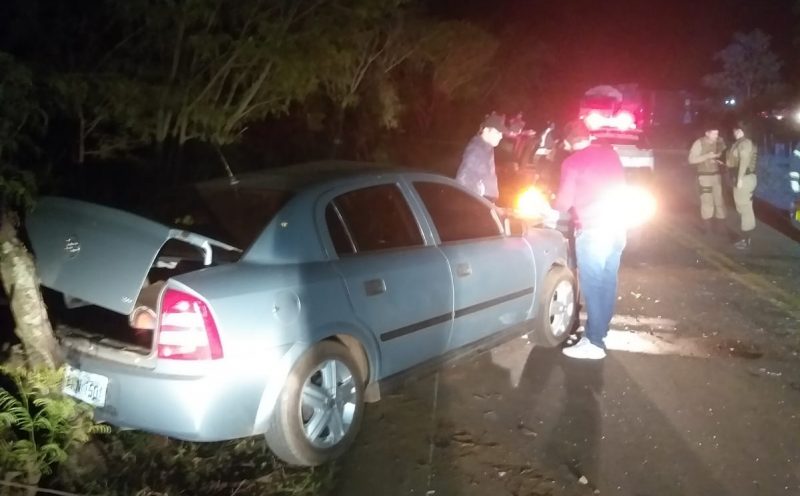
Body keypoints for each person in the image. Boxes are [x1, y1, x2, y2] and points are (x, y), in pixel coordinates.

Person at [547, 120, 627, 360]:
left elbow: (563, 202)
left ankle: (593, 343)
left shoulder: (572, 162)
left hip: (593, 231)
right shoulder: (611, 155)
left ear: (570, 141)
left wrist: (549, 202)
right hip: (617, 227)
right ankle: (600, 332)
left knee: (592, 286)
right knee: (607, 282)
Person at [456, 112, 508, 202]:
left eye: (501, 133)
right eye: (497, 132)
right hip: (479, 205)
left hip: (485, 203)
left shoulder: (487, 148)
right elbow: (463, 180)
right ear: (486, 130)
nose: (500, 137)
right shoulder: (477, 150)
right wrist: (480, 195)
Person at [688, 124, 727, 233]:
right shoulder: (699, 143)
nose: (716, 135)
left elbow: (721, 153)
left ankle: (721, 228)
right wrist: (707, 157)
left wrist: (717, 160)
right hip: (704, 176)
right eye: (714, 133)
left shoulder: (718, 141)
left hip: (716, 175)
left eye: (717, 133)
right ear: (707, 133)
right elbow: (691, 160)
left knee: (719, 200)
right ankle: (708, 228)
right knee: (707, 201)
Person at [726, 122, 758, 249]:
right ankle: (746, 236)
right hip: (743, 178)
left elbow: (744, 160)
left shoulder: (744, 143)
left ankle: (746, 240)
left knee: (744, 208)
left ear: (742, 131)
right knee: (743, 207)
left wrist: (739, 179)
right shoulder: (741, 143)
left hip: (744, 179)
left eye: (737, 131)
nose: (735, 133)